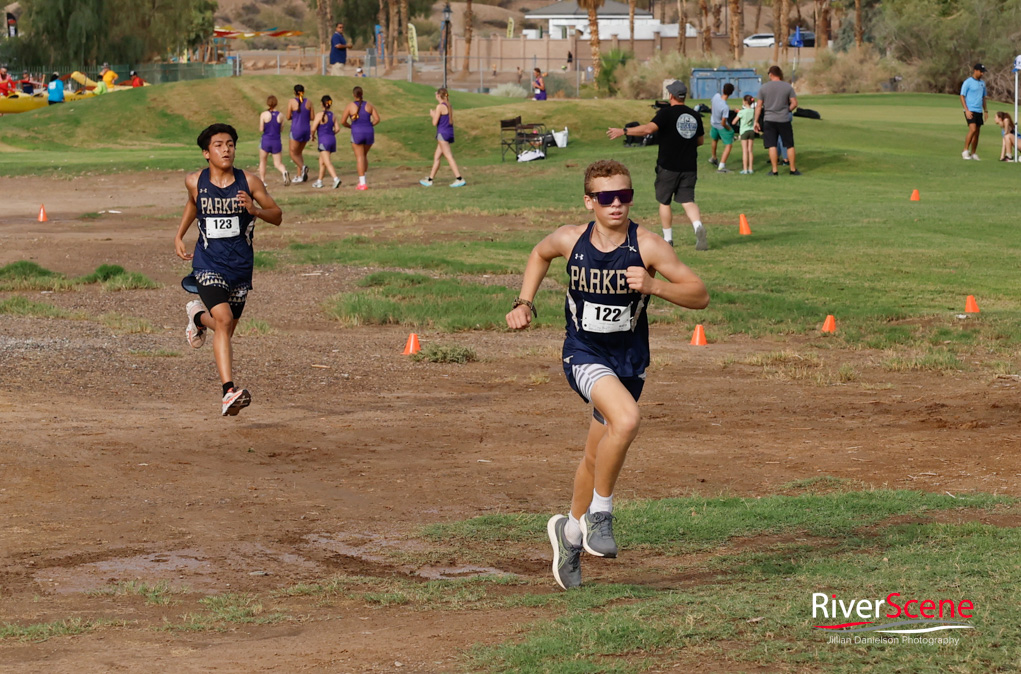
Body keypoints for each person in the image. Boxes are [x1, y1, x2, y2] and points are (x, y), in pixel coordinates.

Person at [505, 159, 709, 590]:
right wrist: (524, 302)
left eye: (625, 195)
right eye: (606, 197)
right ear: (589, 201)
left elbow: (699, 294)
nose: (616, 204)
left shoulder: (648, 246)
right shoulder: (570, 239)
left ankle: (569, 534)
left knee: (596, 454)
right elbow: (539, 253)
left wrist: (654, 286)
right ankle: (601, 514)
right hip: (583, 353)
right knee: (628, 420)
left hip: (629, 362)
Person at [174, 123, 283, 417]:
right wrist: (179, 235)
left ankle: (197, 316)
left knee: (227, 327)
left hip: (240, 267)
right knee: (222, 321)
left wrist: (255, 210)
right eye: (219, 145)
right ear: (206, 153)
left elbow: (277, 215)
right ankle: (228, 392)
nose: (226, 150)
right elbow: (193, 203)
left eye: (230, 145)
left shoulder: (250, 182)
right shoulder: (194, 181)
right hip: (208, 263)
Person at [606, 80, 708, 251]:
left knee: (664, 201)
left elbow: (648, 129)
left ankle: (668, 239)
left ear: (671, 96)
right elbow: (700, 141)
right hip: (689, 166)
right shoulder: (694, 115)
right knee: (687, 200)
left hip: (668, 166)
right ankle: (698, 226)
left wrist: (624, 131)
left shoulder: (666, 113)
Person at [754, 65, 800, 176]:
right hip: (783, 119)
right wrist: (787, 110)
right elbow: (794, 103)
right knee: (789, 145)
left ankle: (774, 170)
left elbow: (759, 106)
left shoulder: (764, 88)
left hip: (769, 119)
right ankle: (792, 169)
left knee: (772, 145)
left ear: (770, 74)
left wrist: (756, 121)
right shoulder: (787, 87)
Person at [419, 88, 466, 188]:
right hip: (448, 133)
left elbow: (434, 123)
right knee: (436, 157)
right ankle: (430, 179)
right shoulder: (449, 106)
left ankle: (459, 178)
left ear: (438, 96)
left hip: (442, 134)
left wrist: (433, 115)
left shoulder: (440, 107)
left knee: (449, 156)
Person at [341, 85, 380, 190]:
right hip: (369, 132)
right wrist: (370, 125)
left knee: (360, 157)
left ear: (354, 95)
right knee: (364, 156)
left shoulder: (350, 106)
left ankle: (362, 183)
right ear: (362, 94)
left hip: (357, 132)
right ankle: (363, 179)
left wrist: (350, 126)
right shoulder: (369, 105)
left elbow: (343, 121)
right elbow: (377, 119)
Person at [310, 95, 341, 189]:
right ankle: (319, 181)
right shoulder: (333, 115)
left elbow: (313, 128)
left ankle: (336, 179)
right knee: (322, 162)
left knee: (327, 162)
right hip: (332, 139)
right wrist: (331, 133)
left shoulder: (319, 115)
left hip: (324, 140)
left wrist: (312, 136)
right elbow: (337, 129)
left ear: (321, 103)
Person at [258, 95, 290, 187]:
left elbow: (261, 129)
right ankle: (284, 172)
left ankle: (262, 181)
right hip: (276, 141)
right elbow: (281, 129)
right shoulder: (281, 115)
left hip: (266, 140)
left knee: (263, 161)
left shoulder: (264, 114)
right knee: (278, 163)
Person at [286, 84, 314, 183]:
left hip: (296, 129)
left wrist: (295, 115)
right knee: (299, 153)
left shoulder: (291, 102)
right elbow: (312, 117)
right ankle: (299, 175)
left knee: (292, 153)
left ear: (294, 92)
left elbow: (288, 116)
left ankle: (303, 167)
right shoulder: (309, 102)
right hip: (306, 129)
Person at [961, 64, 988, 160]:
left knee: (977, 133)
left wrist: (985, 110)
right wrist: (966, 110)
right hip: (970, 110)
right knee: (972, 130)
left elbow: (983, 97)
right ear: (975, 70)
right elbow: (962, 96)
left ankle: (973, 153)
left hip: (979, 110)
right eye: (981, 71)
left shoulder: (982, 83)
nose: (982, 74)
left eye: (983, 72)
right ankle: (965, 151)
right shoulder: (968, 82)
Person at [708, 82, 735, 173]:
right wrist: (729, 129)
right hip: (721, 126)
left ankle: (714, 157)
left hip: (713, 123)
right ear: (731, 93)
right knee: (729, 145)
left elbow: (712, 107)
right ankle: (721, 166)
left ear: (723, 90)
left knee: (714, 140)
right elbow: (723, 123)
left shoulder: (716, 96)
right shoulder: (725, 107)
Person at [736, 94, 756, 174]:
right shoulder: (753, 111)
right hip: (751, 131)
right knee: (750, 151)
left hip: (744, 131)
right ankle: (750, 168)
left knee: (744, 151)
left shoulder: (742, 112)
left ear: (745, 102)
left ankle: (745, 169)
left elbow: (734, 121)